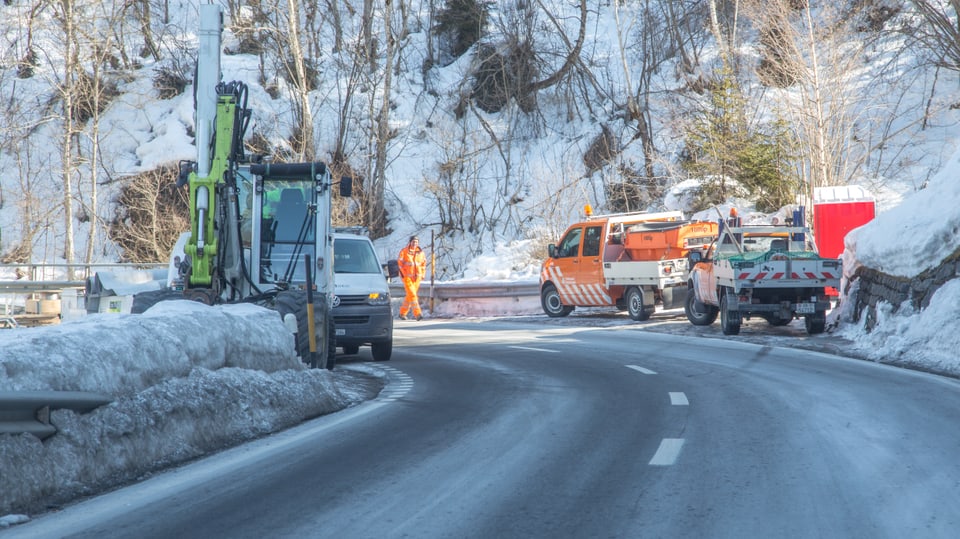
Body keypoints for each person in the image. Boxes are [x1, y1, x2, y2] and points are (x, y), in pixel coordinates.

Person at [397, 235, 427, 320]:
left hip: (417, 278)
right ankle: (418, 314)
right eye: (413, 242)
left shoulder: (421, 253)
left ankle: (402, 313)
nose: (415, 243)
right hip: (407, 277)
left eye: (416, 242)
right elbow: (400, 264)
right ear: (410, 242)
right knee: (413, 295)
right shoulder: (404, 251)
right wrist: (404, 274)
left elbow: (423, 264)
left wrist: (423, 274)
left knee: (409, 296)